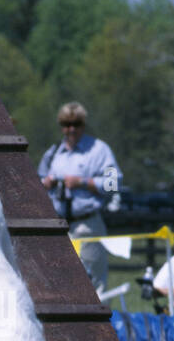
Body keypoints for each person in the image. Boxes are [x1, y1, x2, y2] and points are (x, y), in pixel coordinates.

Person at [38, 102, 122, 303]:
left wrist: (83, 182)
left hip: (87, 224)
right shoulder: (54, 153)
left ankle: (100, 330)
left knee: (91, 282)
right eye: (66, 124)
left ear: (83, 125)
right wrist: (46, 184)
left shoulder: (99, 150)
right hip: (58, 225)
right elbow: (37, 180)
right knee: (59, 281)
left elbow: (113, 182)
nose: (71, 129)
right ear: (61, 126)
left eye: (76, 124)